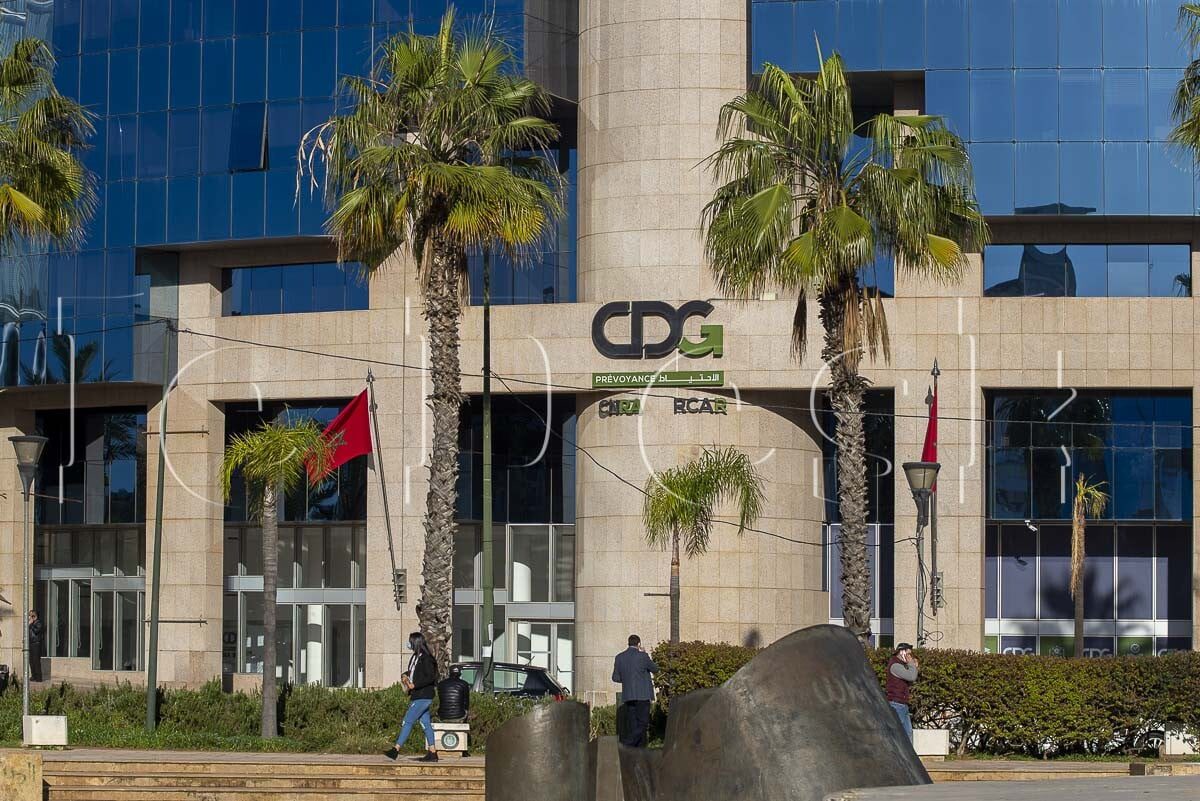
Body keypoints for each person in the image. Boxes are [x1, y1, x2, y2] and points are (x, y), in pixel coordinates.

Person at [385, 632, 439, 762]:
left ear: (416, 642)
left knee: (407, 721)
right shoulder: (415, 657)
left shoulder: (427, 659)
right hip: (417, 695)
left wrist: (415, 685)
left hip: (423, 695)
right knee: (425, 723)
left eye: (410, 641)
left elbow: (430, 677)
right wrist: (405, 675)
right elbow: (414, 671)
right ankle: (432, 752)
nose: (408, 644)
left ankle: (396, 749)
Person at [612, 634, 658, 748]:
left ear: (628, 643)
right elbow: (655, 669)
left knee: (634, 725)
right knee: (643, 724)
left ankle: (636, 751)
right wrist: (645, 653)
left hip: (628, 695)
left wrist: (627, 680)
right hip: (643, 695)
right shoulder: (643, 656)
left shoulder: (619, 657)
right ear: (639, 644)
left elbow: (615, 678)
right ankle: (627, 744)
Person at [886, 642, 919, 741]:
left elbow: (909, 680)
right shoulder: (895, 666)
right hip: (896, 704)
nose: (910, 657)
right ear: (901, 652)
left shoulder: (900, 665)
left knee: (908, 734)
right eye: (908, 654)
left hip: (902, 704)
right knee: (897, 734)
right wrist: (912, 664)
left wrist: (914, 667)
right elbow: (912, 676)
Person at [27, 611, 44, 683]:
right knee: (31, 661)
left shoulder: (38, 623)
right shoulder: (32, 623)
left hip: (36, 644)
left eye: (31, 615)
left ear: (34, 616)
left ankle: (39, 678)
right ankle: (33, 676)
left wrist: (31, 624)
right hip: (31, 644)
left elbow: (36, 631)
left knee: (36, 661)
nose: (29, 617)